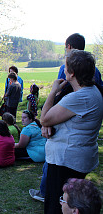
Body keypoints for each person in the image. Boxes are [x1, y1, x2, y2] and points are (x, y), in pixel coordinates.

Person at [40, 50, 103, 214]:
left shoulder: (79, 97)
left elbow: (45, 118)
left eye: (66, 67)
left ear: (72, 73)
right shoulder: (92, 92)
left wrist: (53, 91)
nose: (64, 70)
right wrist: (49, 124)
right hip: (76, 158)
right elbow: (58, 119)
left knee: (58, 205)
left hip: (66, 161)